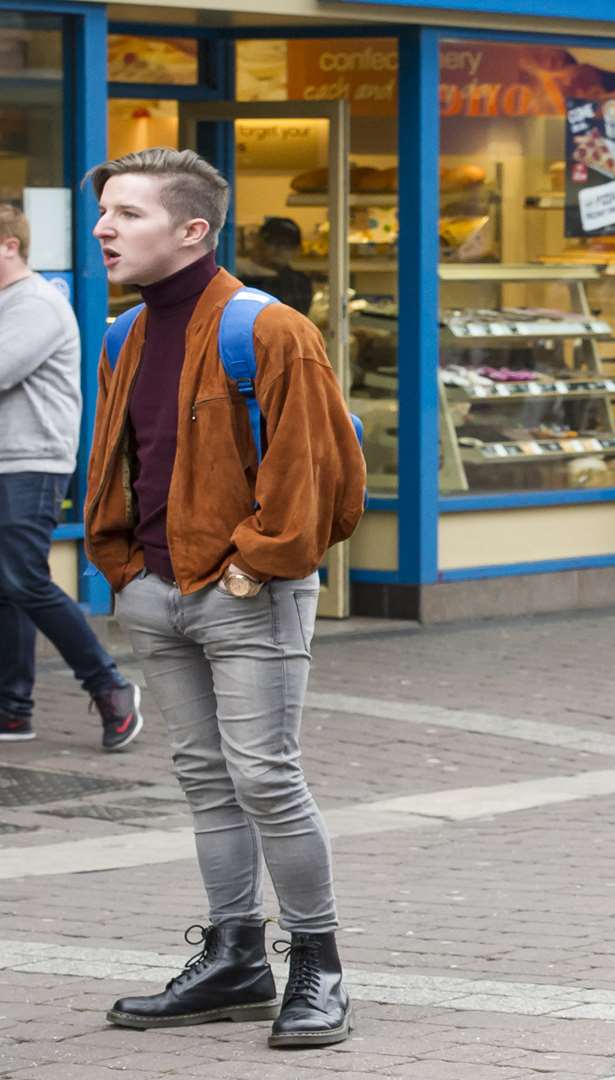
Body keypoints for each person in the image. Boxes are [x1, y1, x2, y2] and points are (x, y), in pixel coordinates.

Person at [83, 148, 366, 1048]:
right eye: (105, 213)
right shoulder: (123, 335)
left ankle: (318, 969)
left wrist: (253, 565)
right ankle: (236, 957)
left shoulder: (270, 328)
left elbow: (321, 473)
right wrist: (125, 567)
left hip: (250, 592)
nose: (103, 229)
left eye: (127, 213)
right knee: (205, 780)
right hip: (156, 591)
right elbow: (121, 460)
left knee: (266, 779)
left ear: (192, 229)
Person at [0, 204, 144, 750]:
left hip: (30, 460)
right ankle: (13, 710)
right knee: (6, 587)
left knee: (22, 580)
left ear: (10, 245)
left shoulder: (36, 303)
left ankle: (111, 686)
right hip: (8, 459)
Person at [236, 217, 315, 321]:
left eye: (287, 244)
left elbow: (291, 317)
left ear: (297, 250)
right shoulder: (239, 272)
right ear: (259, 242)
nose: (280, 248)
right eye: (273, 242)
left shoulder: (299, 282)